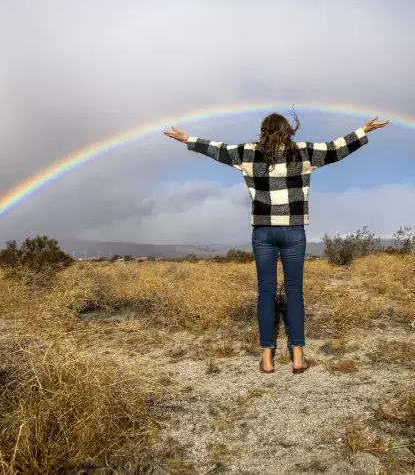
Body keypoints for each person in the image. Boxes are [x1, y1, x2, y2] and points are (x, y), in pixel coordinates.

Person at [164, 112, 388, 374]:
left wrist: (187, 139)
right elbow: (335, 148)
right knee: (294, 292)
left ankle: (267, 360)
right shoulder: (303, 152)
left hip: (263, 232)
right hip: (293, 231)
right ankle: (297, 358)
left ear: (263, 131)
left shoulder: (247, 153)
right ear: (288, 130)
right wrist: (363, 130)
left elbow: (217, 149)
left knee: (266, 292)